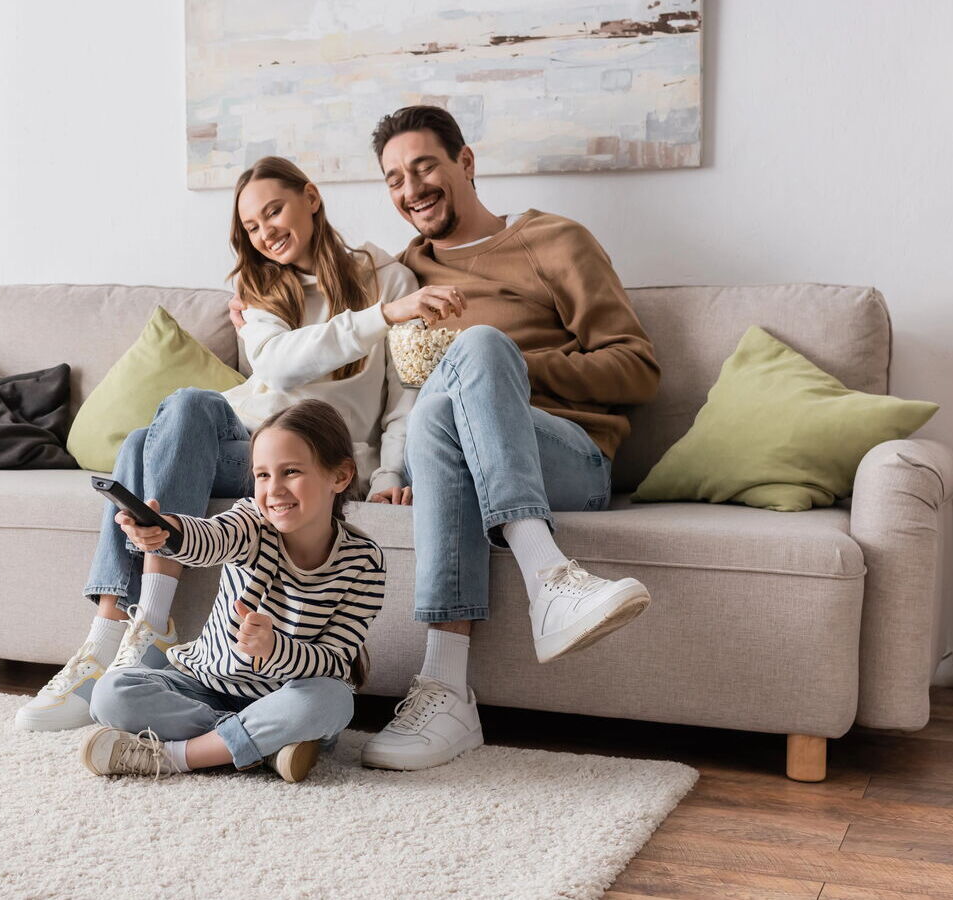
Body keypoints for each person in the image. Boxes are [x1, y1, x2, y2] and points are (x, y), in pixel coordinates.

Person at [228, 107, 662, 771]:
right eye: (394, 179)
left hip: (565, 454)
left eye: (424, 167)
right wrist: (254, 295)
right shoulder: (406, 273)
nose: (411, 189)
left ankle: (549, 579)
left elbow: (637, 369)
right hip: (455, 451)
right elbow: (348, 317)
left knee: (480, 346)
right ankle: (446, 687)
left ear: (465, 162)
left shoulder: (554, 240)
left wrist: (506, 368)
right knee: (436, 414)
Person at [15, 156, 460, 732]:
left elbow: (405, 394)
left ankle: (126, 635)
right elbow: (279, 364)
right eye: (252, 226)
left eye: (274, 211)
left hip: (311, 456)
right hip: (244, 447)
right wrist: (384, 317)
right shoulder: (260, 288)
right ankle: (123, 631)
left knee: (146, 442)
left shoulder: (389, 280)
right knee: (169, 422)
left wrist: (391, 472)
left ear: (311, 198)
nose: (266, 232)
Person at [80, 400, 383, 783]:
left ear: (339, 476)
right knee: (110, 692)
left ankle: (178, 756)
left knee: (334, 700)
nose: (274, 490)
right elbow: (208, 538)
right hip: (204, 685)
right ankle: (263, 747)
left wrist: (275, 650)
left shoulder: (364, 561)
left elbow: (334, 662)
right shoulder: (251, 521)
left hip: (285, 696)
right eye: (262, 475)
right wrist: (167, 532)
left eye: (290, 472)